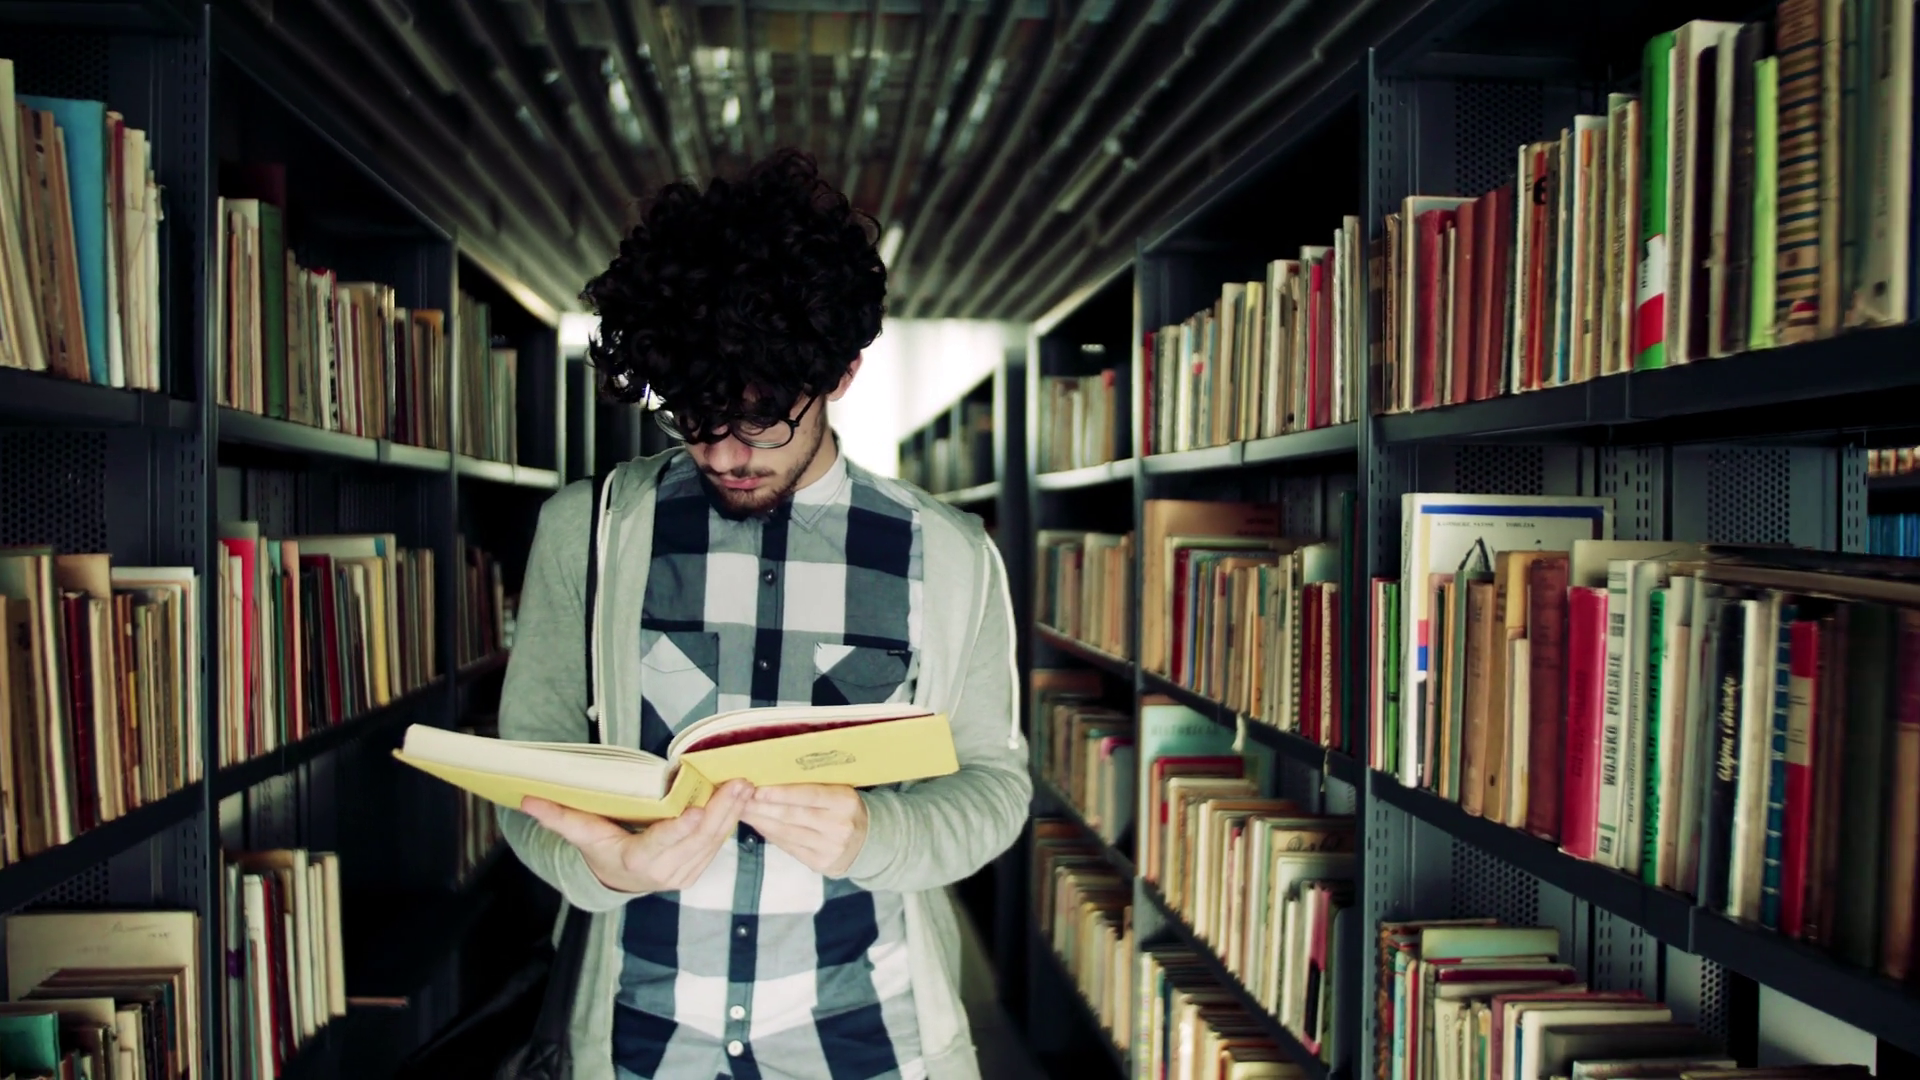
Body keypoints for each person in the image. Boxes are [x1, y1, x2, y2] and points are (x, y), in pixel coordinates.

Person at [495, 148, 1029, 1080]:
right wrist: (608, 868)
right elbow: (530, 773)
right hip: (640, 1044)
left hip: (867, 1044)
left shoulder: (949, 555)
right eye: (695, 417)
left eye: (762, 417)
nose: (725, 454)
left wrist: (876, 837)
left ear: (842, 373)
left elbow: (994, 788)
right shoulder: (586, 532)